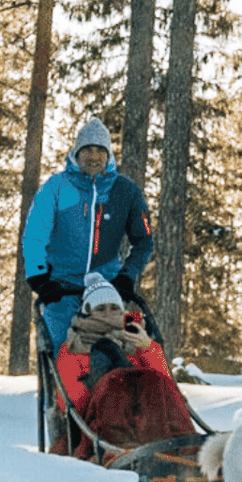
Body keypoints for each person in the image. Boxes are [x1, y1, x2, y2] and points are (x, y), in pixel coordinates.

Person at [21, 117, 154, 351]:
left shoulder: (125, 191)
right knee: (64, 351)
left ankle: (129, 385)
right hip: (61, 287)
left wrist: (127, 276)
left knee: (125, 346)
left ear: (108, 155)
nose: (93, 156)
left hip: (109, 288)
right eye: (87, 150)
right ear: (77, 153)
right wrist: (40, 278)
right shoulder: (56, 187)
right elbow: (34, 236)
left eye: (100, 150)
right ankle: (58, 386)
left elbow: (144, 241)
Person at [52, 273, 180, 456]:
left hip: (149, 423)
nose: (108, 314)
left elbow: (167, 388)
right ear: (87, 311)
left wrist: (148, 348)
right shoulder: (73, 348)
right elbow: (74, 406)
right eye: (100, 308)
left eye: (114, 308)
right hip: (96, 428)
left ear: (122, 311)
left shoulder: (136, 339)